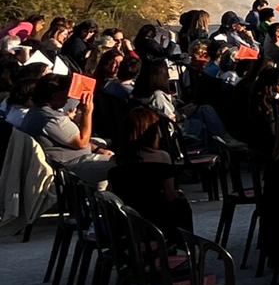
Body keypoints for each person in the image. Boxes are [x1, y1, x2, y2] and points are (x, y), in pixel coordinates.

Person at [109, 107, 193, 235]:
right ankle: (185, 244)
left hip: (131, 219)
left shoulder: (119, 159)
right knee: (181, 204)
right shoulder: (162, 157)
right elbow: (170, 194)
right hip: (158, 216)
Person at [19, 75, 115, 183]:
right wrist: (87, 112)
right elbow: (82, 142)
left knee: (101, 143)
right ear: (54, 95)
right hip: (67, 166)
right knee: (113, 165)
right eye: (65, 94)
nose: (68, 97)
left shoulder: (38, 111)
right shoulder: (52, 120)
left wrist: (97, 149)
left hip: (70, 155)